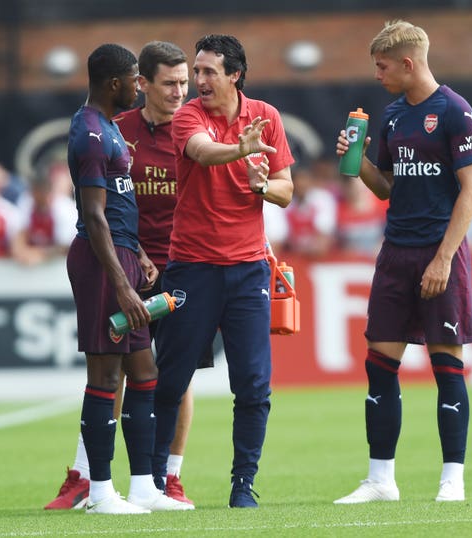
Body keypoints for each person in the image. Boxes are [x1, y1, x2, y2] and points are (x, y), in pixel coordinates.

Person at [45, 41, 202, 510]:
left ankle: (144, 488)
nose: (139, 86)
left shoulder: (108, 128)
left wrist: (138, 256)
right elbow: (93, 216)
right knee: (106, 375)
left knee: (146, 371)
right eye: (137, 79)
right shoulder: (91, 134)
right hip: (101, 264)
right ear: (115, 83)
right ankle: (98, 491)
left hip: (125, 256)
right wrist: (121, 283)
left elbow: (115, 209)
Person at [332, 20, 472, 505]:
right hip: (395, 251)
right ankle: (381, 480)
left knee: (446, 366)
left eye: (381, 66)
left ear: (407, 63)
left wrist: (443, 258)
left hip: (440, 253)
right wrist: (358, 163)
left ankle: (452, 480)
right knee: (379, 365)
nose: (377, 75)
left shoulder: (456, 112)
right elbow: (388, 189)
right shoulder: (394, 115)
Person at [153, 34, 294, 508]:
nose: (199, 81)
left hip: (248, 269)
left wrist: (263, 188)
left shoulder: (267, 116)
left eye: (209, 71)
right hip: (192, 268)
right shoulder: (189, 115)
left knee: (253, 384)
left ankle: (243, 483)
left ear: (235, 74)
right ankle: (154, 479)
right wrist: (240, 152)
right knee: (171, 377)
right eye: (197, 71)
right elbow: (200, 152)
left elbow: (287, 189)